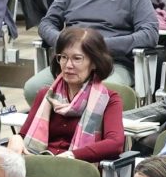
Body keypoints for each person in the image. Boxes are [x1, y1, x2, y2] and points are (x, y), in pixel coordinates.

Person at [11, 26, 125, 162]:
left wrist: (72, 155)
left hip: (78, 166)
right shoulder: (46, 95)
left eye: (77, 58)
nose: (68, 65)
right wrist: (16, 138)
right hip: (40, 162)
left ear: (94, 63)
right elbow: (24, 135)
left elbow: (115, 143)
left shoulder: (109, 100)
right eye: (64, 57)